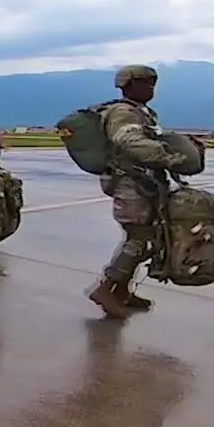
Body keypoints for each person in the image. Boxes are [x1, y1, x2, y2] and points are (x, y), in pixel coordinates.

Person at [88, 64, 190, 318]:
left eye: (153, 82)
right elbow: (129, 141)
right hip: (129, 184)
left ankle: (121, 290)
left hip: (145, 183)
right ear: (127, 84)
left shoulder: (143, 112)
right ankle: (105, 289)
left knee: (147, 238)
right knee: (139, 237)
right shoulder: (122, 113)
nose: (151, 86)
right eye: (144, 81)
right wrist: (170, 157)